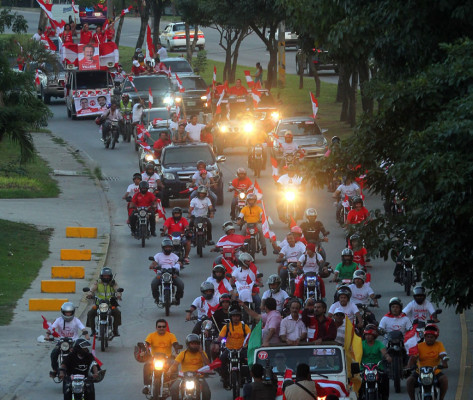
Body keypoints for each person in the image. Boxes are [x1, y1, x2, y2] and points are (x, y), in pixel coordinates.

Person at [45, 302, 89, 378]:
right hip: (61, 342)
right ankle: (55, 370)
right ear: (63, 312)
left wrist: (86, 334)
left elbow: (83, 328)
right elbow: (52, 328)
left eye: (69, 313)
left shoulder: (76, 320)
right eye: (66, 312)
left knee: (85, 352)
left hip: (74, 342)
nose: (68, 314)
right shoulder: (59, 320)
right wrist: (47, 335)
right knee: (54, 353)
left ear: (73, 312)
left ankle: (86, 369)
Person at [406, 324, 448, 400]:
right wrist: (409, 366)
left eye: (432, 337)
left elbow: (443, 354)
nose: (429, 339)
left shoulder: (439, 345)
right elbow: (413, 357)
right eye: (427, 337)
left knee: (444, 380)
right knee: (409, 381)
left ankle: (441, 398)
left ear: (435, 338)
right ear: (424, 337)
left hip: (435, 370)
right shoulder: (419, 345)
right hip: (420, 370)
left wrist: (444, 362)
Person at [167, 334, 211, 400]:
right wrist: (170, 371)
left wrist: (201, 353)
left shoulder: (202, 353)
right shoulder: (183, 353)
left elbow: (208, 364)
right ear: (188, 344)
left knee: (206, 391)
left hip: (199, 376)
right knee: (173, 388)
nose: (195, 345)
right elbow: (175, 365)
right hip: (184, 377)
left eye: (196, 344)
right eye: (192, 344)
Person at [142, 319, 180, 395]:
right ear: (156, 327)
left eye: (163, 326)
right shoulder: (151, 335)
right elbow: (146, 343)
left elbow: (175, 344)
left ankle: (173, 386)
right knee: (146, 365)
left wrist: (176, 350)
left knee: (174, 366)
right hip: (154, 358)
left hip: (167, 359)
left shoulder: (171, 335)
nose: (161, 328)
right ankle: (146, 385)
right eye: (159, 327)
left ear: (166, 327)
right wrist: (143, 349)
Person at [217, 308, 251, 389]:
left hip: (241, 349)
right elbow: (220, 336)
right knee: (221, 360)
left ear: (240, 317)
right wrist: (217, 341)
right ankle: (225, 378)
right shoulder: (227, 326)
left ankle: (249, 379)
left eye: (237, 316)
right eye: (234, 316)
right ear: (231, 317)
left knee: (250, 361)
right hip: (229, 349)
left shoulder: (244, 326)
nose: (236, 318)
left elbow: (250, 335)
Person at [85, 267, 122, 336]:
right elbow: (92, 289)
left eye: (108, 276)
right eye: (105, 276)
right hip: (99, 304)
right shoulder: (97, 282)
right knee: (90, 313)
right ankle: (93, 330)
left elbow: (117, 289)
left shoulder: (113, 283)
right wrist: (89, 294)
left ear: (110, 276)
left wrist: (118, 295)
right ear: (101, 276)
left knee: (117, 313)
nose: (106, 277)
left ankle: (115, 330)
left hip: (110, 305)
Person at [150, 238, 184, 305]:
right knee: (153, 284)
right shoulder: (158, 255)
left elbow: (179, 262)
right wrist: (153, 266)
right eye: (166, 247)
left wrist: (178, 265)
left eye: (169, 247)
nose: (167, 249)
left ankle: (177, 298)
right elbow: (153, 263)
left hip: (172, 274)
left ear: (171, 247)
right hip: (161, 274)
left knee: (181, 284)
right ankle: (156, 298)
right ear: (163, 247)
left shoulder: (174, 256)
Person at [361, 324, 391, 400]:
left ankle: (385, 397)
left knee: (385, 379)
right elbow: (356, 353)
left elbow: (384, 352)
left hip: (377, 368)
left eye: (370, 335)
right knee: (358, 384)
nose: (367, 336)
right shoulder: (361, 344)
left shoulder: (379, 344)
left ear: (374, 335)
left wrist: (387, 357)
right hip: (363, 369)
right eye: (366, 334)